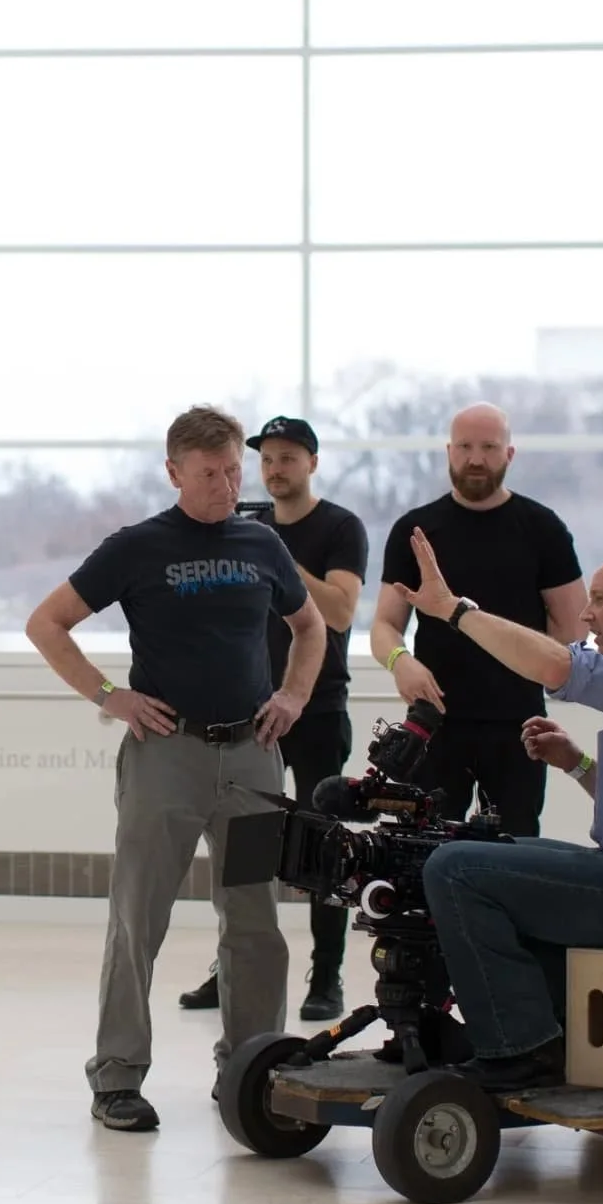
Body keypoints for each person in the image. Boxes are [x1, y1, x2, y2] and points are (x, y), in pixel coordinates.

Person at [26, 406, 328, 1132]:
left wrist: (292, 695)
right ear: (173, 472)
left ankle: (253, 1067)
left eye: (233, 470)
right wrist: (110, 696)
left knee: (254, 922)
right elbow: (48, 623)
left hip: (252, 755)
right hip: (168, 755)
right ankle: (118, 1076)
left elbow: (310, 625)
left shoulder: (261, 544)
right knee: (139, 917)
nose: (226, 485)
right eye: (209, 474)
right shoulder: (138, 547)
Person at [392, 531, 603, 1092]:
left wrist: (456, 612)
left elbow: (556, 666)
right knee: (479, 855)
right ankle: (546, 1027)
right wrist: (575, 763)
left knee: (455, 869)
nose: (585, 614)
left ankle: (520, 1048)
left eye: (599, 600)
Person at [177, 415, 368, 1024]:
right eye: (266, 459)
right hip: (248, 712)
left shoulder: (339, 527)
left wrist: (274, 552)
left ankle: (328, 976)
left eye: (288, 457)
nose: (274, 468)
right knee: (248, 847)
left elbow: (336, 612)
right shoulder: (242, 522)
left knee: (321, 845)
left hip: (316, 707)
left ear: (311, 463)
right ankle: (232, 967)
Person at [369, 403, 587, 836]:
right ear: (449, 451)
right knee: (424, 853)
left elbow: (574, 632)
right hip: (435, 724)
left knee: (515, 853)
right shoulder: (415, 530)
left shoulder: (543, 529)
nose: (475, 458)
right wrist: (400, 661)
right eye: (465, 447)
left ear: (509, 454)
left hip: (519, 725)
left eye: (489, 447)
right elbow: (383, 626)